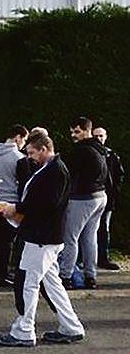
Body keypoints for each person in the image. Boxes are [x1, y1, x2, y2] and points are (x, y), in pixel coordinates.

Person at [0, 132, 86, 347]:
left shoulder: (54, 172)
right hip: (47, 236)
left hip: (41, 237)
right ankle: (71, 326)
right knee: (51, 283)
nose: (29, 157)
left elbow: (46, 205)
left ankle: (24, 330)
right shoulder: (53, 169)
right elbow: (46, 204)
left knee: (29, 283)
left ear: (45, 149)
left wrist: (16, 209)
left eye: (32, 152)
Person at [60, 117, 108, 289]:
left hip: (82, 197)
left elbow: (68, 174)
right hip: (100, 196)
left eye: (77, 131)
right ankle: (90, 276)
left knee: (70, 237)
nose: (73, 135)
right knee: (89, 238)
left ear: (87, 130)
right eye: (72, 131)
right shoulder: (100, 149)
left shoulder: (81, 150)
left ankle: (65, 276)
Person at [0, 124, 29, 286]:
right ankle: (3, 274)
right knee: (7, 240)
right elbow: (24, 183)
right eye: (24, 140)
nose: (24, 143)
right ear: (18, 137)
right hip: (11, 202)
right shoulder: (18, 158)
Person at [93, 127, 124, 270]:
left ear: (106, 137)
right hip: (91, 196)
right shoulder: (90, 153)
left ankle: (103, 258)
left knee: (104, 228)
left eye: (101, 136)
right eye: (96, 136)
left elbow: (119, 175)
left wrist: (113, 191)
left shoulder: (112, 155)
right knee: (89, 230)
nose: (99, 138)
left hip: (107, 197)